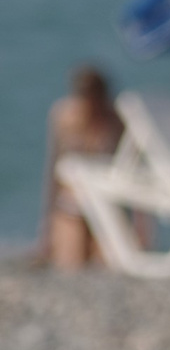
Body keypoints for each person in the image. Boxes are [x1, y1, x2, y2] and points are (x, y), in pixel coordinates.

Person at [39, 66, 125, 268]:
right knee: (71, 264)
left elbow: (131, 174)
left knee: (105, 266)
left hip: (108, 209)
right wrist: (46, 226)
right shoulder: (64, 117)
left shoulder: (116, 120)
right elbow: (53, 171)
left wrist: (141, 227)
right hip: (71, 206)